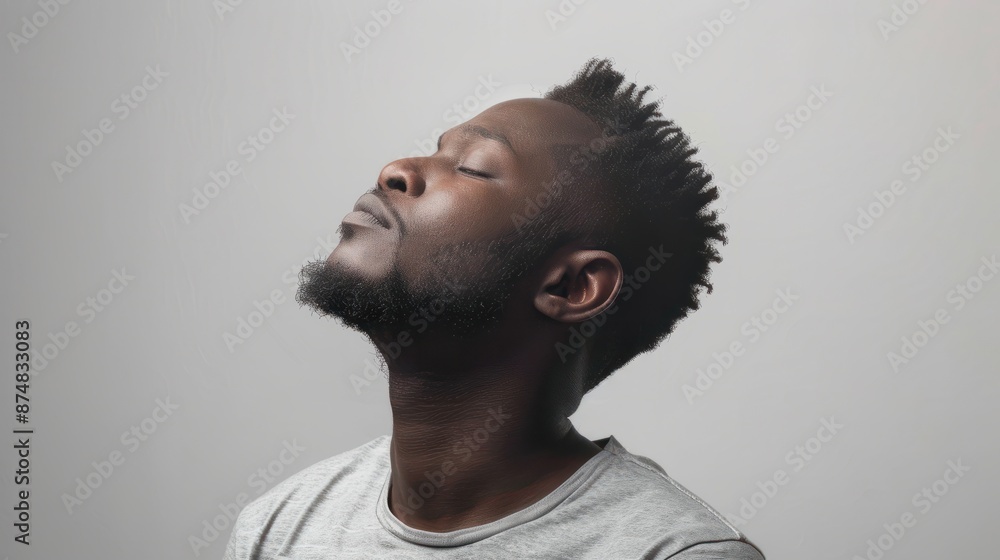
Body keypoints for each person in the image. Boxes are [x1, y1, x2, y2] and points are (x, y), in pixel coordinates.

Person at [224, 58, 764, 559]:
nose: (395, 170)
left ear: (572, 285)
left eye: (475, 167)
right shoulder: (278, 527)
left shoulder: (672, 553)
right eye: (434, 150)